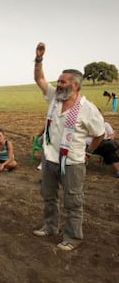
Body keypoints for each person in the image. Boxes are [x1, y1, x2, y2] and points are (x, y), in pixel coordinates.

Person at [32, 42, 105, 251]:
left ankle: (72, 238)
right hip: (50, 158)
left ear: (75, 85)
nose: (59, 84)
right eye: (59, 81)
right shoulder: (54, 97)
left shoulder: (88, 109)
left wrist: (88, 152)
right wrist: (38, 59)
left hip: (72, 163)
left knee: (73, 201)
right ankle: (50, 226)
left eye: (63, 82)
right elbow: (39, 79)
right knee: (48, 195)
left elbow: (99, 134)